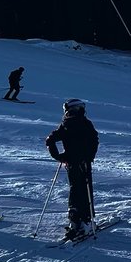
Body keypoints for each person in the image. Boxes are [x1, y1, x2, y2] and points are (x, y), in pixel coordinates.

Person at [45, 98, 101, 240]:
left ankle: (74, 220)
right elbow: (94, 141)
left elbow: (50, 140)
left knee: (75, 188)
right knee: (85, 189)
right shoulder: (85, 123)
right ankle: (86, 220)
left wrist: (59, 156)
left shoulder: (66, 124)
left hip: (71, 163)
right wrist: (89, 157)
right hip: (83, 163)